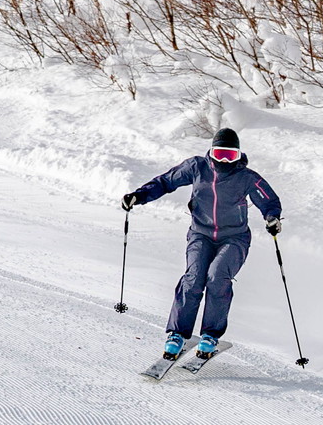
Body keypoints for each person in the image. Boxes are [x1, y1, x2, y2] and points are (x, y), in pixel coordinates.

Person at [121, 128, 282, 360]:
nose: (224, 160)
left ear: (238, 155)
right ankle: (177, 334)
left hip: (234, 238)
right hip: (200, 234)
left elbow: (269, 201)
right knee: (194, 277)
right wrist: (139, 195)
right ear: (211, 152)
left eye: (230, 155)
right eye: (219, 154)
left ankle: (210, 335)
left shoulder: (246, 177)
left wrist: (272, 218)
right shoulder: (197, 167)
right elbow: (166, 182)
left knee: (217, 276)